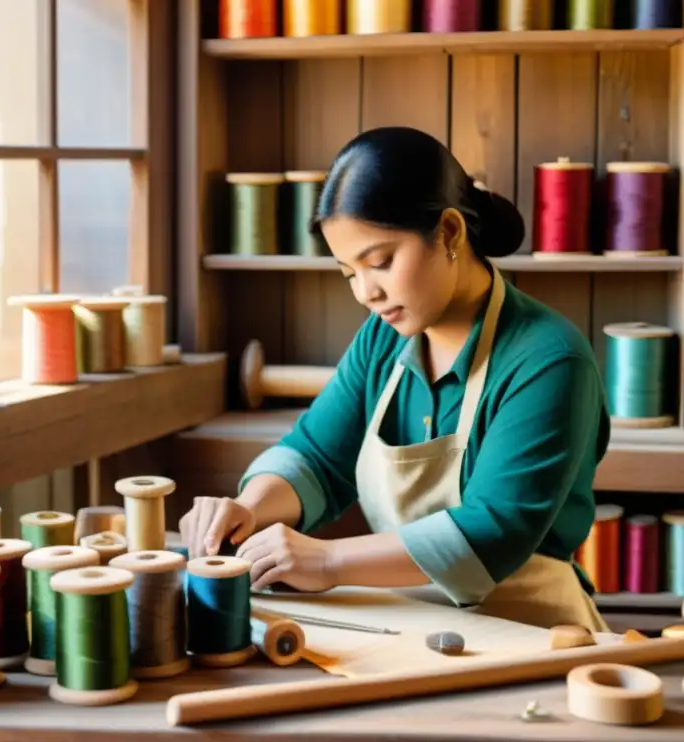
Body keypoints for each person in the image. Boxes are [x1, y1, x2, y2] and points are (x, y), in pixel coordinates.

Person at [179, 126, 611, 631]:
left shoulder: (548, 358)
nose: (366, 292)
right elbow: (318, 457)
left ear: (449, 233)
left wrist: (327, 561)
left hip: (532, 633)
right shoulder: (383, 340)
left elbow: (495, 530)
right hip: (407, 624)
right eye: (347, 272)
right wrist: (249, 509)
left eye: (379, 262)